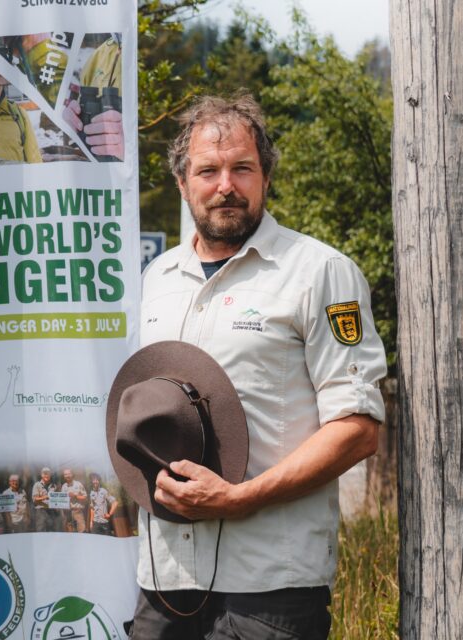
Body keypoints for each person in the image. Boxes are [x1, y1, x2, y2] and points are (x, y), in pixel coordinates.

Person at [131, 94, 387, 639]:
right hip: (165, 577)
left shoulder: (319, 273)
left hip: (271, 586)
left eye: (242, 168)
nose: (226, 184)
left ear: (265, 176)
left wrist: (238, 498)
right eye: (208, 170)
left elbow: (358, 429)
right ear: (183, 183)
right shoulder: (156, 279)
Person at [61, 35, 124, 161]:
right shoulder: (98, 56)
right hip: (101, 171)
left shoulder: (145, 49)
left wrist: (131, 147)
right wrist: (74, 122)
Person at [30, 467, 61, 532]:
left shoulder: (54, 486)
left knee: (52, 531)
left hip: (52, 511)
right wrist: (45, 497)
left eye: (48, 474)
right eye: (44, 473)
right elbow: (34, 500)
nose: (46, 475)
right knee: (41, 530)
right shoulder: (37, 485)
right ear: (41, 475)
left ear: (50, 475)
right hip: (41, 511)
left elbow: (58, 499)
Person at [60, 468, 89, 533]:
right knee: (70, 532)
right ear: (64, 476)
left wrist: (75, 496)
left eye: (69, 474)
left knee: (81, 531)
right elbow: (61, 500)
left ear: (72, 474)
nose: (67, 476)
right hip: (67, 512)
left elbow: (85, 497)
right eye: (65, 474)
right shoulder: (64, 486)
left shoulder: (78, 484)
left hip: (77, 511)